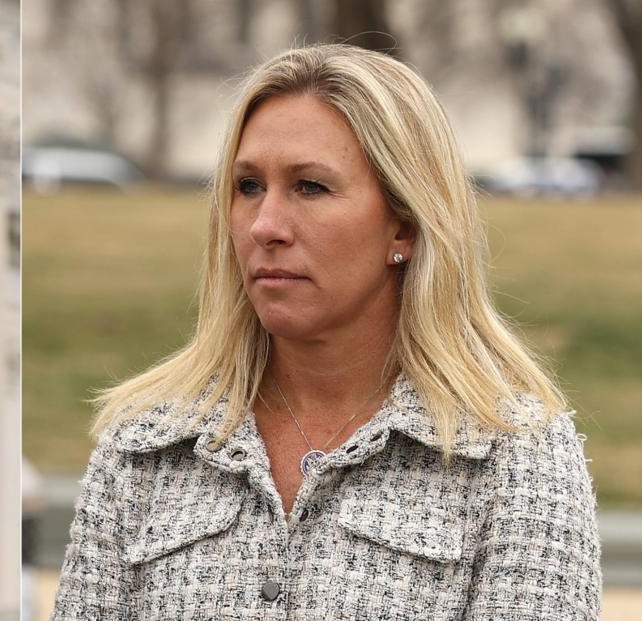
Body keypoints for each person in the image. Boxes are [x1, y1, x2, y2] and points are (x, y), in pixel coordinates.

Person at [52, 44, 600, 620]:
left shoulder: (511, 457)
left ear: (405, 226)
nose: (266, 225)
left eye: (310, 187)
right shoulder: (143, 449)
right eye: (248, 187)